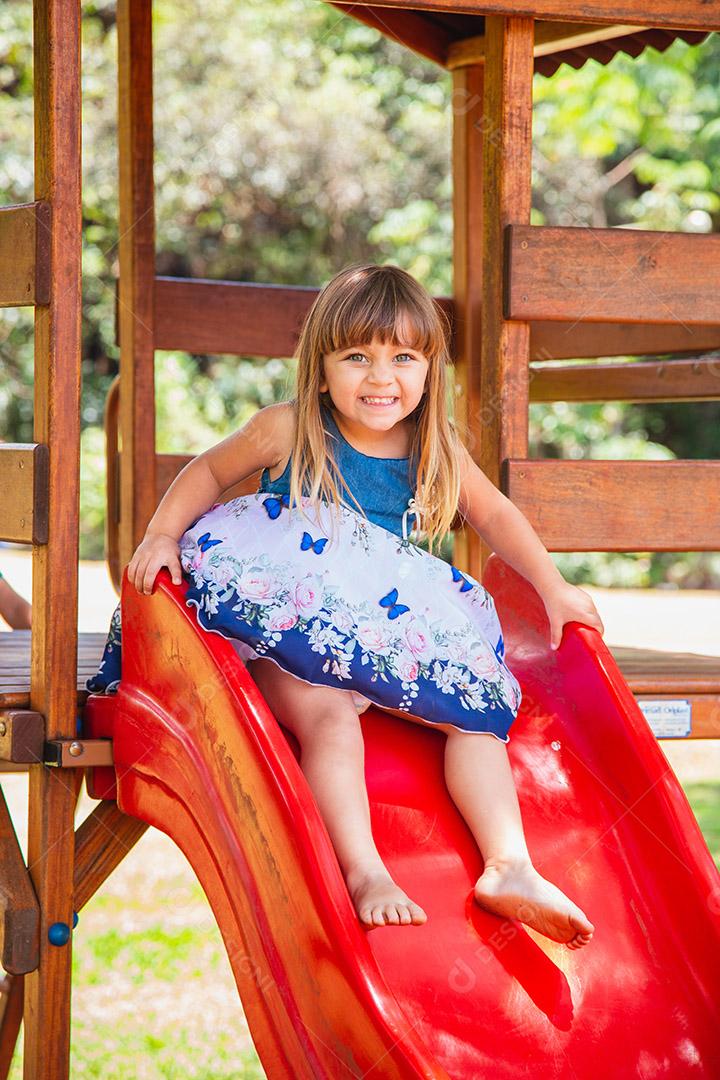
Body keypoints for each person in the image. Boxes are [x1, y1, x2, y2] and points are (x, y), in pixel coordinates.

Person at [88, 263, 604, 947]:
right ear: (322, 368)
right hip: (290, 635)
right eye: (356, 356)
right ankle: (363, 871)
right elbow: (208, 471)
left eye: (403, 358)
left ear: (429, 371)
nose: (380, 376)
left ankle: (508, 865)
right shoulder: (290, 429)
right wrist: (161, 533)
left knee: (476, 718)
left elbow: (497, 515)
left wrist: (554, 587)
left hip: (380, 634)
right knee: (331, 721)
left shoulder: (432, 445)